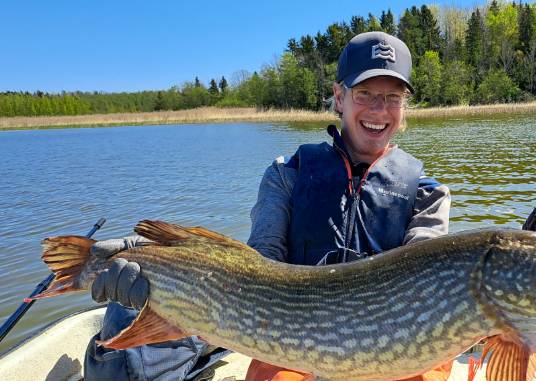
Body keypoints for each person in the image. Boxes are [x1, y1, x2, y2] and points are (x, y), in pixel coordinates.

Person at [86, 31, 452, 381]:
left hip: (393, 346)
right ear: (339, 97)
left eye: (392, 97)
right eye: (365, 93)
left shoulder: (427, 194)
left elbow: (430, 277)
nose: (379, 108)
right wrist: (154, 269)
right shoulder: (286, 176)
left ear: (405, 108)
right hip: (292, 344)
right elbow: (259, 263)